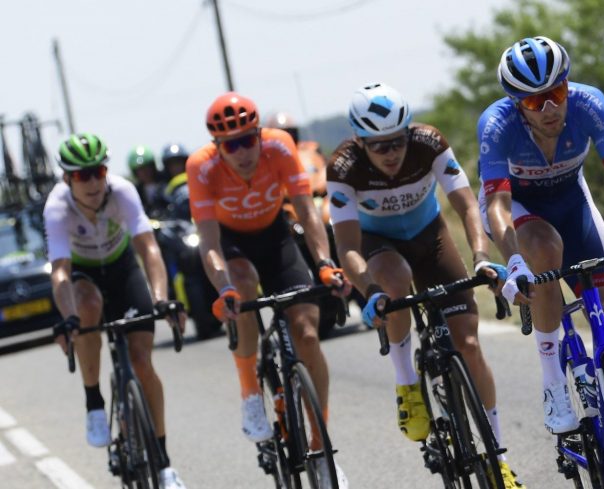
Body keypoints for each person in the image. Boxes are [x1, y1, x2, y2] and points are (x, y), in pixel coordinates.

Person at [478, 35, 604, 476]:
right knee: (546, 251)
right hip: (523, 214)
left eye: (557, 93)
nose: (551, 108)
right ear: (517, 105)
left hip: (574, 204)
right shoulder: (496, 124)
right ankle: (553, 380)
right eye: (536, 102)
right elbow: (495, 205)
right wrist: (513, 261)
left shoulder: (589, 104)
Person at [330, 83, 524, 488]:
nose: (391, 152)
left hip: (429, 236)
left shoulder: (429, 143)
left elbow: (468, 205)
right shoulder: (344, 168)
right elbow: (347, 245)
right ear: (360, 142)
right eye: (379, 146)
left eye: (397, 141)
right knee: (395, 282)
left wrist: (481, 257)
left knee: (468, 346)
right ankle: (407, 385)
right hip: (378, 245)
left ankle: (497, 458)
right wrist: (370, 290)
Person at [186, 92, 350, 487]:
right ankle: (248, 393)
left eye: (247, 139)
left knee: (308, 332)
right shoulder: (201, 168)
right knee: (241, 289)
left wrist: (326, 265)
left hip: (275, 238)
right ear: (217, 147)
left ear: (260, 134)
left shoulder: (280, 146)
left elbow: (308, 212)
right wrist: (223, 288)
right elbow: (208, 243)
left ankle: (320, 444)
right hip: (231, 245)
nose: (242, 151)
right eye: (230, 145)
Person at [45, 133, 188, 489]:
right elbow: (60, 271)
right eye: (82, 175)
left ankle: (165, 463)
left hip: (122, 267)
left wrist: (160, 299)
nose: (93, 181)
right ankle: (93, 399)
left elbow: (149, 250)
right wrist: (69, 316)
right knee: (88, 307)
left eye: (98, 171)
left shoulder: (122, 191)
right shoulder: (57, 207)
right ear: (67, 179)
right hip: (83, 273)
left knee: (142, 360)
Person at [127, 145, 166, 216]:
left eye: (147, 167)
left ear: (153, 166)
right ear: (135, 172)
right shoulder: (135, 192)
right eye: (140, 169)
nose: (145, 172)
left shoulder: (166, 184)